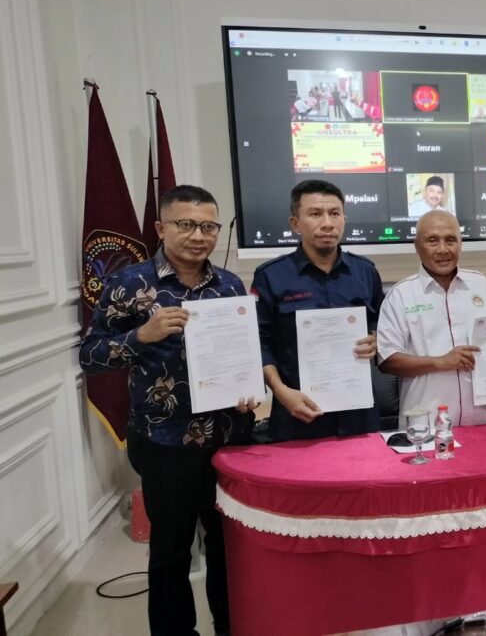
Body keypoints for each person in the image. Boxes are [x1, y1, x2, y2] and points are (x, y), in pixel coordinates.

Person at [79, 185, 255, 636]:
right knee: (172, 549)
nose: (199, 235)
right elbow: (91, 355)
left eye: (208, 226)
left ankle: (231, 625)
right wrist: (142, 335)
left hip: (227, 438)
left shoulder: (230, 285)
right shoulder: (130, 283)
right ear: (161, 228)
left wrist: (247, 388)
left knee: (227, 545)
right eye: (186, 224)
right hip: (165, 442)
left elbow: (241, 358)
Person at [251, 179, 385, 441]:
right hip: (297, 413)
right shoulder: (271, 276)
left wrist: (377, 340)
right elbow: (259, 343)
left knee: (365, 479)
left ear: (344, 218)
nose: (327, 223)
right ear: (295, 224)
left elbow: (382, 324)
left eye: (335, 213)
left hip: (358, 413)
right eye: (315, 214)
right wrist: (280, 391)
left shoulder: (365, 272)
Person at [378, 211, 486, 425]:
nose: (443, 249)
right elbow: (387, 360)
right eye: (432, 241)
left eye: (450, 240)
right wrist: (441, 362)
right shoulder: (401, 294)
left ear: (460, 244)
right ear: (417, 246)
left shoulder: (480, 285)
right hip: (426, 424)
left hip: (482, 421)